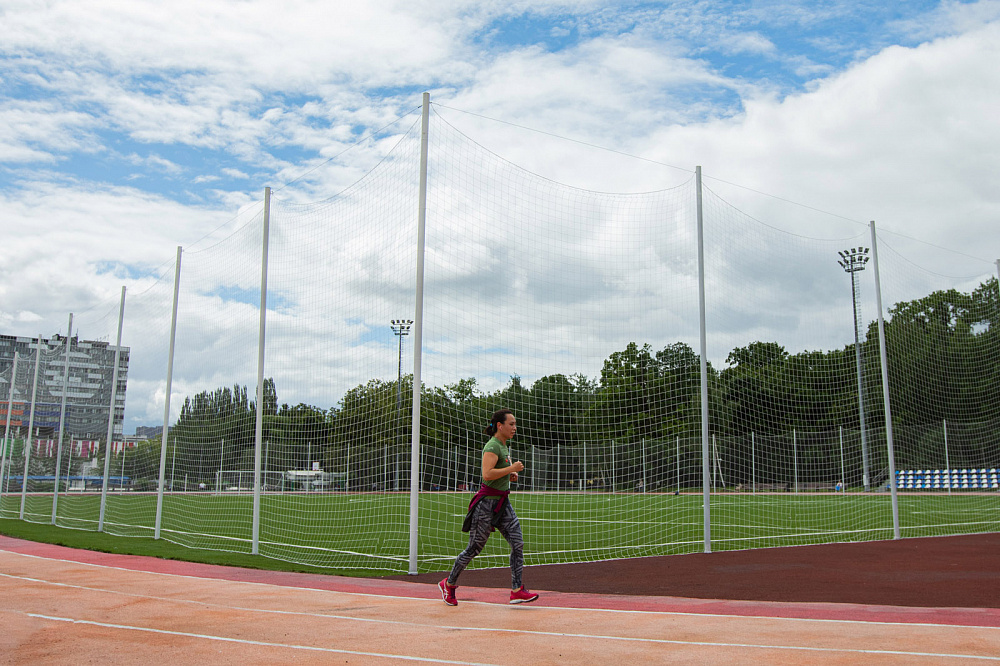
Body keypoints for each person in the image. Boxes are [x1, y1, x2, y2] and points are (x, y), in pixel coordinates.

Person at [439, 409, 539, 606]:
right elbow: (487, 474)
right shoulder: (492, 446)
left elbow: (497, 473)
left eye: (515, 424)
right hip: (486, 504)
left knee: (517, 543)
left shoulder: (503, 446)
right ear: (499, 426)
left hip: (502, 503)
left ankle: (517, 590)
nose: (515, 428)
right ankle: (448, 584)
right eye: (511, 424)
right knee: (474, 548)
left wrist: (509, 475)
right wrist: (511, 469)